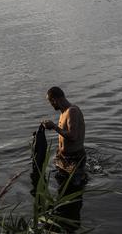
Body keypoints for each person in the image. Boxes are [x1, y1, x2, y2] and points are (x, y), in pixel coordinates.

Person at [41, 86, 87, 230]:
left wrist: (54, 127)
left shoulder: (72, 111)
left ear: (56, 99)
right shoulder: (63, 113)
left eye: (50, 102)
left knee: (71, 193)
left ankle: (70, 220)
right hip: (64, 159)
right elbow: (63, 138)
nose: (51, 105)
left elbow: (73, 136)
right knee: (62, 190)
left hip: (74, 159)